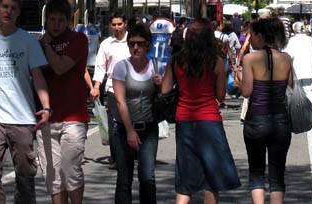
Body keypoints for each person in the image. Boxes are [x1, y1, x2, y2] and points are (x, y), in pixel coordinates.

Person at [0, 0, 51, 204]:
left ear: (18, 13)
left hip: (23, 118)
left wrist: (46, 107)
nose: (8, 11)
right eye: (5, 7)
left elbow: (38, 78)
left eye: (13, 8)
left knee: (25, 174)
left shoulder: (28, 41)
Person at [161, 19, 241, 203]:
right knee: (211, 179)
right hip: (209, 119)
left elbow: (165, 90)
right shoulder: (216, 62)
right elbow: (220, 96)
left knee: (185, 177)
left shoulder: (176, 61)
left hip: (184, 119)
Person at [36, 0, 89, 204]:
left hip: (74, 117)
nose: (56, 25)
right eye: (51, 20)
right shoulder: (37, 44)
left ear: (68, 21)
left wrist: (47, 46)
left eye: (60, 20)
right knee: (53, 175)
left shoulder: (78, 40)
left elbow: (59, 67)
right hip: (47, 118)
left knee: (71, 172)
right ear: (46, 21)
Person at [235, 19, 292, 204]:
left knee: (256, 172)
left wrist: (240, 78)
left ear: (260, 36)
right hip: (281, 120)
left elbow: (246, 92)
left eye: (252, 35)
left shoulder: (250, 59)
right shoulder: (286, 58)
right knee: (277, 175)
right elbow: (290, 87)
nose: (249, 39)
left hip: (256, 120)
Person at [112, 23, 162, 204]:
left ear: (148, 45)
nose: (135, 47)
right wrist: (130, 130)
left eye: (140, 43)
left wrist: (160, 84)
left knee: (147, 178)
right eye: (132, 43)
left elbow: (165, 95)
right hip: (124, 128)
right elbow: (120, 101)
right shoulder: (121, 67)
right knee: (124, 179)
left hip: (148, 128)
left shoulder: (156, 65)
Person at [92, 13, 130, 162]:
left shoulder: (132, 42)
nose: (117, 27)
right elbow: (100, 67)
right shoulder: (106, 44)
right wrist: (96, 86)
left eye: (119, 24)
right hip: (112, 89)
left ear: (125, 24)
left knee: (131, 123)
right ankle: (116, 157)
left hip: (132, 89)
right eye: (114, 25)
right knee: (114, 125)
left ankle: (131, 153)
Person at [285, 21, 312, 105]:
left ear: (294, 30)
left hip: (296, 70)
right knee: (308, 91)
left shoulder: (292, 40)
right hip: (308, 70)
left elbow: (288, 55)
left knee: (296, 93)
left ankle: (299, 113)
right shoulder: (310, 39)